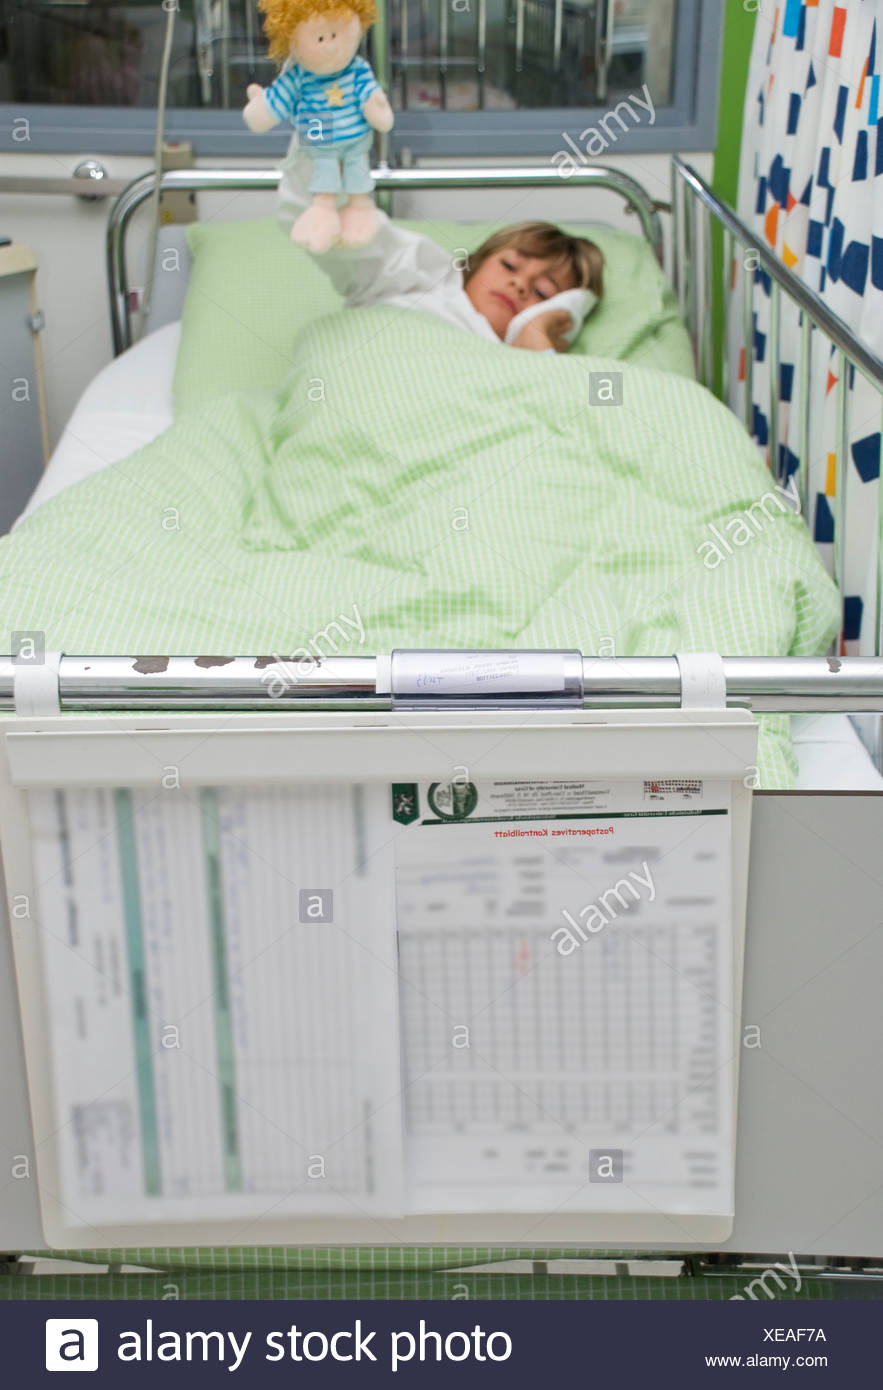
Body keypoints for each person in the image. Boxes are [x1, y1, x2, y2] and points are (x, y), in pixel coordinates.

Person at [275, 145, 604, 352]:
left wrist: (536, 333)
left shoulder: (529, 362)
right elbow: (322, 219)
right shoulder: (419, 277)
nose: (519, 285)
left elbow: (563, 406)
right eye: (509, 266)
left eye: (543, 293)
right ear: (479, 262)